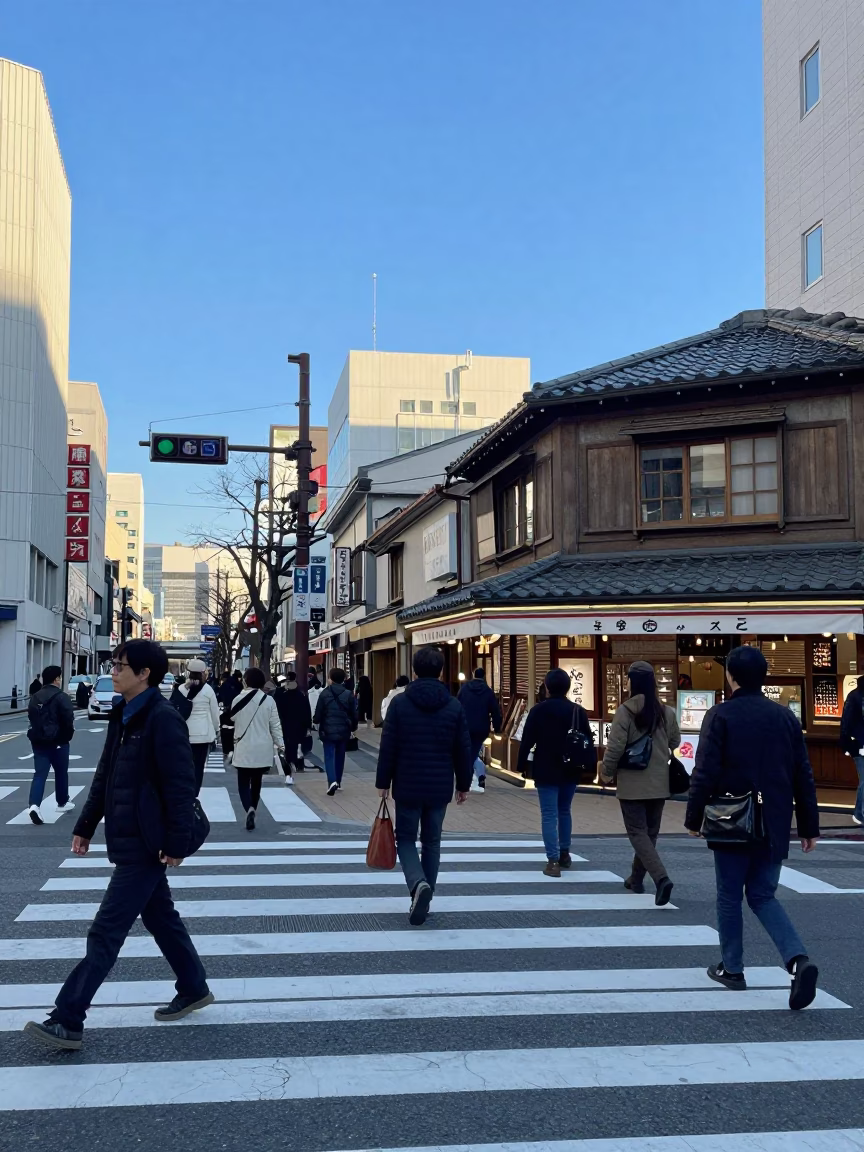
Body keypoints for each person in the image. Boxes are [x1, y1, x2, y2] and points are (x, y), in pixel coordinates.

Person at [23, 639, 213, 1051]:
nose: (113, 670)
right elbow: (106, 772)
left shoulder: (163, 719)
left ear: (144, 673)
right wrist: (86, 823)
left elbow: (182, 787)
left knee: (106, 931)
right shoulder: (122, 714)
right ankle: (194, 986)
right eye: (114, 663)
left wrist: (177, 841)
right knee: (161, 917)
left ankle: (68, 1018)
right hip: (127, 837)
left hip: (147, 842)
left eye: (120, 665)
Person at [685, 645, 821, 1010]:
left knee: (729, 895)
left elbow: (705, 770)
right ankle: (797, 961)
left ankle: (733, 969)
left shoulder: (721, 715)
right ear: (764, 677)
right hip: (774, 820)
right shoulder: (785, 718)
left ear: (730, 676)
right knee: (762, 894)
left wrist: (693, 817)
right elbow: (802, 775)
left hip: (732, 817)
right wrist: (809, 826)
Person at [376, 646, 473, 926]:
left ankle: (418, 885)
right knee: (432, 841)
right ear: (441, 671)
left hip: (406, 782)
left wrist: (383, 782)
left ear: (415, 671)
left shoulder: (400, 704)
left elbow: (388, 746)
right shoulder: (454, 705)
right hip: (440, 783)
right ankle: (425, 892)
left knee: (405, 838)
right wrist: (463, 784)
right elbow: (462, 749)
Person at [600, 661, 680, 906]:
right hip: (659, 782)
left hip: (633, 782)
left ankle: (661, 878)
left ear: (632, 683)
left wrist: (606, 773)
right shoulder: (665, 711)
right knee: (649, 833)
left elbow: (615, 747)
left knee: (637, 832)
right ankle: (636, 879)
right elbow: (675, 741)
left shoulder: (625, 711)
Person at [517, 668, 593, 876]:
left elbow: (527, 741)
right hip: (571, 768)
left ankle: (553, 860)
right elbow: (588, 741)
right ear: (568, 687)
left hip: (545, 768)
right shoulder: (578, 711)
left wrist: (521, 765)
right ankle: (565, 853)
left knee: (549, 813)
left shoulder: (538, 710)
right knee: (564, 810)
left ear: (547, 687)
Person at [230, 667, 284, 831]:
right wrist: (281, 744)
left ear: (246, 681)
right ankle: (254, 805)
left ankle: (249, 808)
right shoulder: (269, 700)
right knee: (257, 781)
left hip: (244, 745)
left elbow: (232, 718)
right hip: (263, 746)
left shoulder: (237, 699)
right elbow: (275, 725)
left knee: (243, 782)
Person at [26, 665, 76, 825]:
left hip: (38, 741)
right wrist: (66, 736)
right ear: (56, 679)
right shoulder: (61, 697)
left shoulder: (35, 697)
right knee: (61, 772)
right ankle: (62, 801)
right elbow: (69, 719)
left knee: (40, 774)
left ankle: (34, 805)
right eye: (60, 677)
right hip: (58, 741)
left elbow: (32, 718)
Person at [314, 667, 358, 796]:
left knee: (329, 756)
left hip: (327, 730)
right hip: (344, 729)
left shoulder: (324, 693)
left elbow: (318, 714)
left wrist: (316, 721)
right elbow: (354, 714)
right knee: (340, 756)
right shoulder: (348, 694)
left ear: (331, 679)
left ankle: (331, 781)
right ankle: (338, 781)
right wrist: (353, 727)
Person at [457, 667, 503, 791]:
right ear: (484, 676)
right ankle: (471, 777)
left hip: (465, 726)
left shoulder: (465, 689)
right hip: (481, 728)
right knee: (473, 752)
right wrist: (498, 728)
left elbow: (457, 706)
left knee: (468, 752)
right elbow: (495, 711)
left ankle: (469, 777)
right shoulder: (488, 691)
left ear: (473, 674)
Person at [179, 659, 220, 794]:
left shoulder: (180, 689)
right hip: (202, 735)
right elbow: (215, 713)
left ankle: (185, 790)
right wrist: (216, 729)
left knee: (184, 765)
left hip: (184, 734)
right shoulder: (208, 690)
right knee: (198, 766)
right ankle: (194, 793)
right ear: (203, 673)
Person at [273, 671, 314, 778]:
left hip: (284, 723)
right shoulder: (300, 694)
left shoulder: (280, 693)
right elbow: (306, 711)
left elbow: (276, 709)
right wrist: (308, 726)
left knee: (287, 743)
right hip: (298, 724)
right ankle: (296, 762)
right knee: (297, 744)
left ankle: (289, 761)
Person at [840, 674, 864, 826]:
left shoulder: (855, 696)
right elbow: (847, 721)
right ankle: (859, 813)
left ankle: (859, 812)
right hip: (859, 744)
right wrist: (847, 743)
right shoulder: (855, 696)